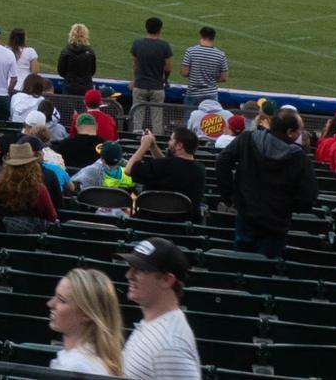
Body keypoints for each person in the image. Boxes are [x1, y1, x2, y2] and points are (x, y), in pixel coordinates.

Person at [215, 106, 316, 258]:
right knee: (263, 268)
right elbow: (308, 196)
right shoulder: (299, 157)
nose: (301, 133)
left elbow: (222, 161)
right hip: (273, 221)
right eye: (299, 130)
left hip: (250, 214)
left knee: (241, 263)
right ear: (289, 132)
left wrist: (229, 196)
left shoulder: (248, 139)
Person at [120, 238, 200, 380]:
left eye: (140, 270)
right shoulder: (154, 323)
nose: (129, 275)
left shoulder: (170, 347)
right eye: (130, 268)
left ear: (166, 280)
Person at [46, 267, 126, 376]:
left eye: (62, 300)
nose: (50, 304)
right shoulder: (79, 360)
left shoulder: (77, 367)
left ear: (86, 314)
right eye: (55, 296)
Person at [0, 141, 59, 232]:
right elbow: (52, 216)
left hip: (2, 237)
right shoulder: (39, 189)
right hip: (33, 239)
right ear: (33, 165)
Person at [130, 18, 174, 133]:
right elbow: (168, 68)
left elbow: (135, 66)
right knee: (157, 120)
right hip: (157, 86)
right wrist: (165, 79)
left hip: (140, 84)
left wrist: (136, 80)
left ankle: (136, 142)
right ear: (160, 29)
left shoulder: (137, 44)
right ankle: (156, 144)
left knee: (137, 119)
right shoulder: (164, 46)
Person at [181, 26, 228, 105]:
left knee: (190, 117)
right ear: (213, 38)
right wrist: (211, 79)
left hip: (193, 93)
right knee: (210, 117)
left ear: (201, 36)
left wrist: (195, 74)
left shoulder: (191, 51)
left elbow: (184, 73)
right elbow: (224, 78)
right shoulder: (220, 55)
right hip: (211, 93)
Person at [57, 23, 99, 96]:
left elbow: (61, 71)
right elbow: (92, 71)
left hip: (70, 87)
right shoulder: (90, 52)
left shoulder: (66, 51)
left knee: (67, 107)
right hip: (86, 87)